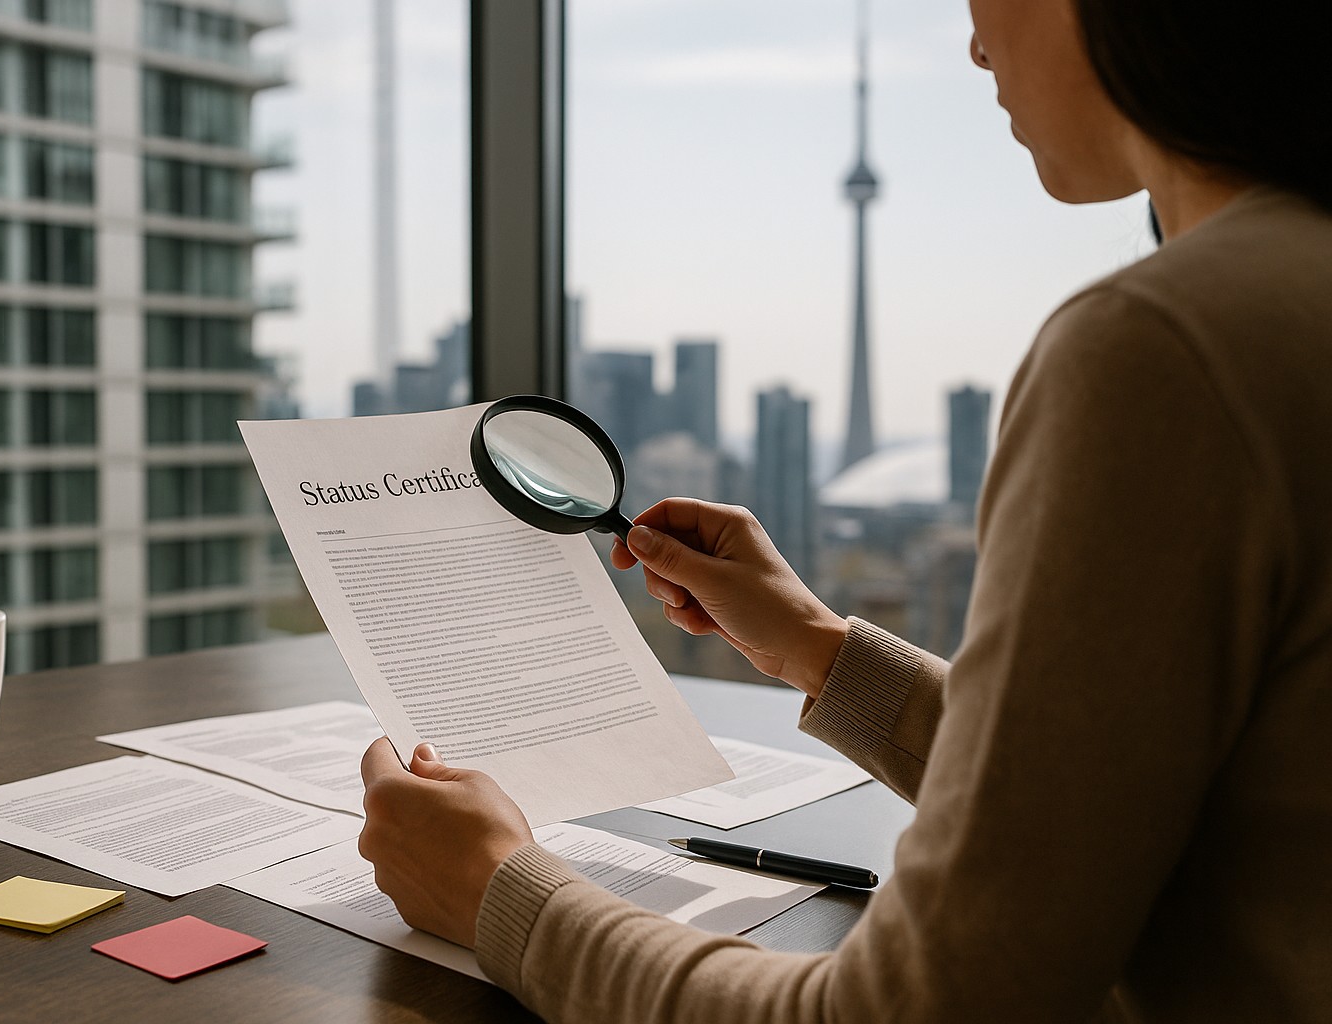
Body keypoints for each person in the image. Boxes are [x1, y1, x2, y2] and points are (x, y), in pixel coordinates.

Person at [358, 0, 1332, 1019]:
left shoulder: (1161, 350)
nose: (971, 39)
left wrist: (504, 892)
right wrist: (823, 650)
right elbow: (1126, 797)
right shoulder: (1283, 303)